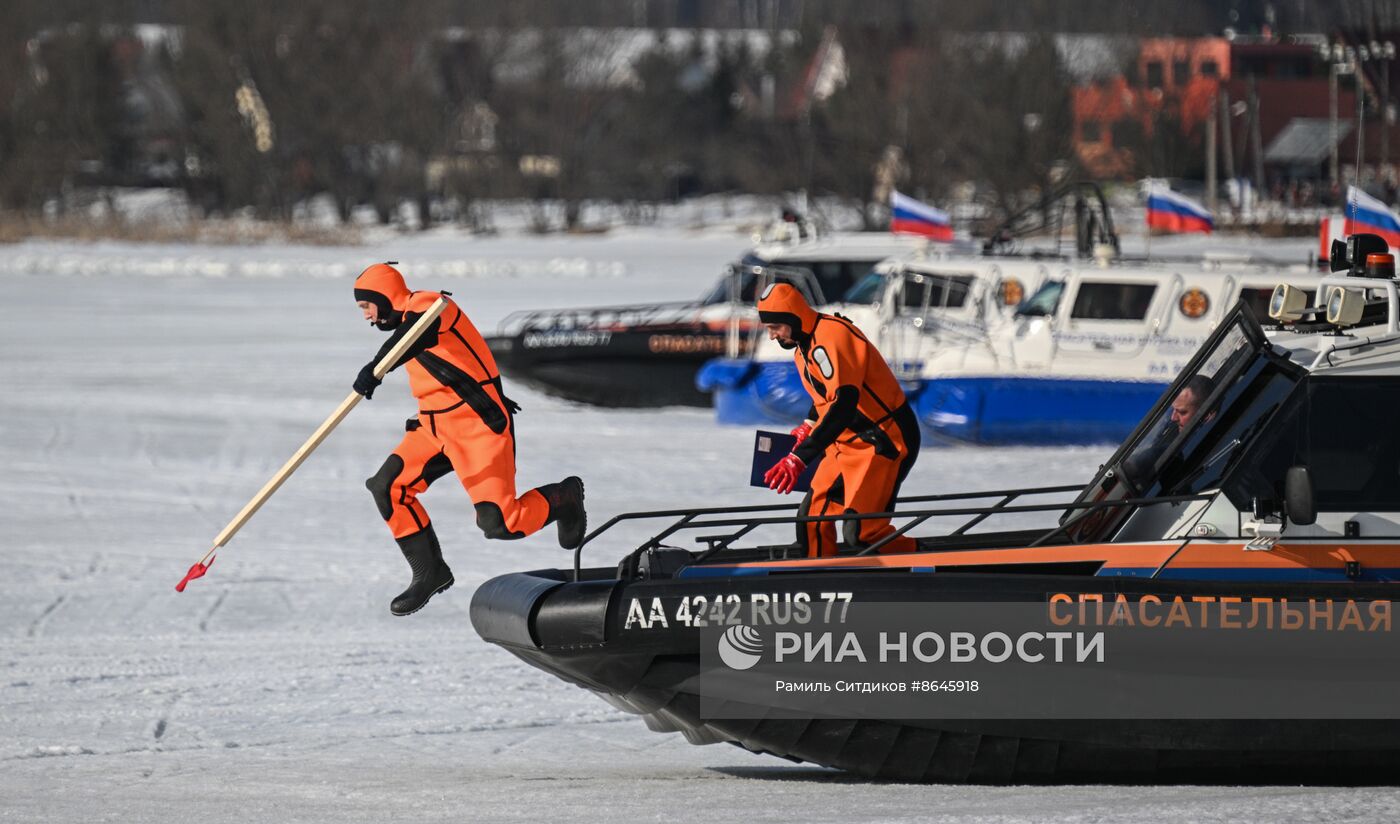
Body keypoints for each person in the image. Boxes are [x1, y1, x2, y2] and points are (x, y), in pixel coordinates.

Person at [352, 262, 585, 616]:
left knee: (500, 524)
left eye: (367, 306)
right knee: (387, 487)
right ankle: (430, 573)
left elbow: (414, 336)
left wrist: (375, 369)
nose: (367, 317)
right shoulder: (406, 322)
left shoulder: (431, 306)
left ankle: (562, 498)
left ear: (384, 297)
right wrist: (378, 367)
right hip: (433, 429)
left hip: (478, 428)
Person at [757, 283, 920, 557]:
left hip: (883, 440)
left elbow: (844, 404)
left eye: (775, 327)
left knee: (863, 534)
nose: (772, 336)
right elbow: (826, 395)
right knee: (812, 520)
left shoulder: (832, 336)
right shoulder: (802, 348)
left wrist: (800, 457)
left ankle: (924, 561)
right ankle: (817, 581)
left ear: (793, 317)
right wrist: (808, 427)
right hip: (844, 441)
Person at [1122, 373, 1216, 486]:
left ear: (1207, 415)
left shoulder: (1214, 449)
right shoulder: (1168, 430)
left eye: (1182, 412)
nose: (1173, 418)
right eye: (1173, 410)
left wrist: (1135, 465)